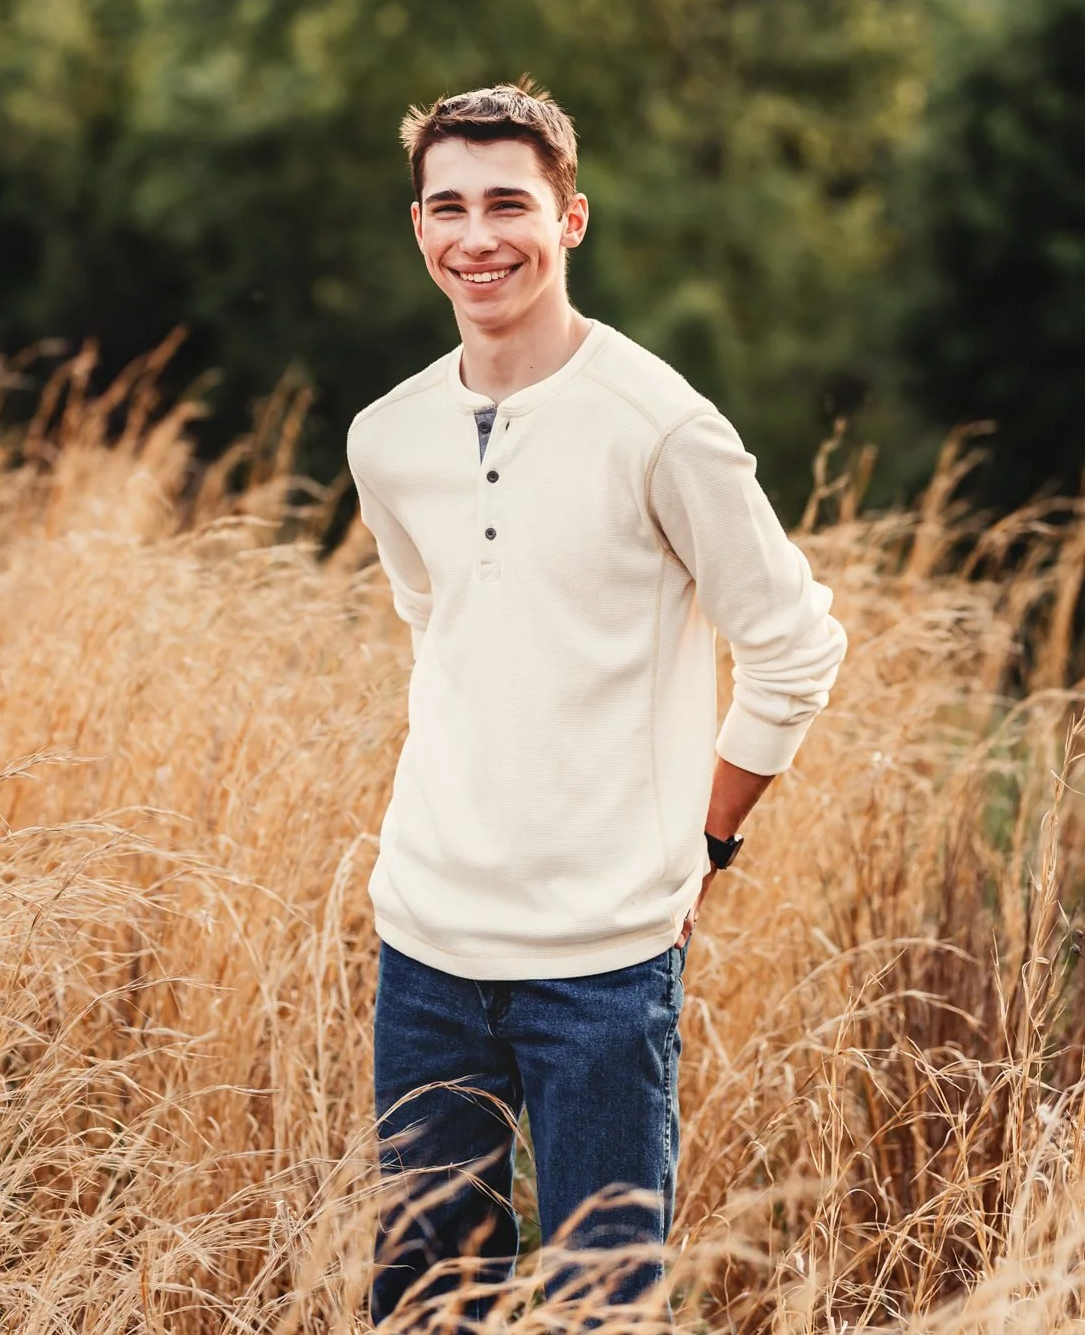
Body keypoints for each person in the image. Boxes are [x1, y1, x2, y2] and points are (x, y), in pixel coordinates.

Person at [346, 78, 847, 1323]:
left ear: (570, 218)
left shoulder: (663, 427)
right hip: (426, 944)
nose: (478, 236)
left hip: (604, 965)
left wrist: (707, 843)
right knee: (421, 1303)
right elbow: (441, 628)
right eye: (447, 206)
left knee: (598, 1308)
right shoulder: (386, 437)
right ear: (418, 228)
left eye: (509, 202)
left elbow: (793, 647)